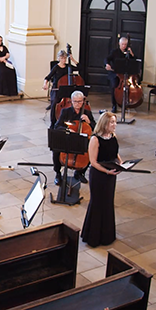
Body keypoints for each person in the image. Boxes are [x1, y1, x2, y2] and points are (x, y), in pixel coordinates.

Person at [81, 112, 121, 247]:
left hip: (111, 175)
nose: (114, 125)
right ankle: (93, 237)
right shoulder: (95, 139)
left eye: (115, 122)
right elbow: (93, 162)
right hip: (99, 175)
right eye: (112, 122)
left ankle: (107, 236)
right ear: (104, 124)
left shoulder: (112, 136)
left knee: (108, 203)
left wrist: (121, 163)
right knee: (98, 203)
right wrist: (107, 171)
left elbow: (115, 153)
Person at [52, 91, 96, 185]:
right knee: (56, 150)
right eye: (75, 101)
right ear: (71, 101)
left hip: (81, 140)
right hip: (68, 138)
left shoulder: (87, 112)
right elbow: (57, 126)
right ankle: (58, 174)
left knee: (90, 151)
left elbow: (95, 128)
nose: (77, 104)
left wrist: (89, 122)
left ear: (83, 101)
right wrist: (67, 130)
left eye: (79, 101)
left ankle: (80, 173)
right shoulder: (65, 111)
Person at [43, 49, 79, 125]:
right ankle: (53, 122)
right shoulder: (56, 67)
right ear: (59, 58)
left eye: (65, 58)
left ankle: (67, 120)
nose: (64, 60)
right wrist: (45, 84)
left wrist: (72, 59)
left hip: (66, 89)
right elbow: (47, 77)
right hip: (57, 89)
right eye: (62, 58)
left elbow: (80, 68)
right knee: (54, 104)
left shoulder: (68, 67)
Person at [105, 36, 135, 113]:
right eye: (122, 44)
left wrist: (131, 53)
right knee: (115, 86)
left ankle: (124, 104)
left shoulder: (128, 52)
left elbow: (135, 61)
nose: (124, 46)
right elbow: (107, 59)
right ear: (119, 44)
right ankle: (114, 105)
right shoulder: (114, 52)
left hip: (125, 74)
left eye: (125, 44)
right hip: (115, 73)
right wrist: (107, 64)